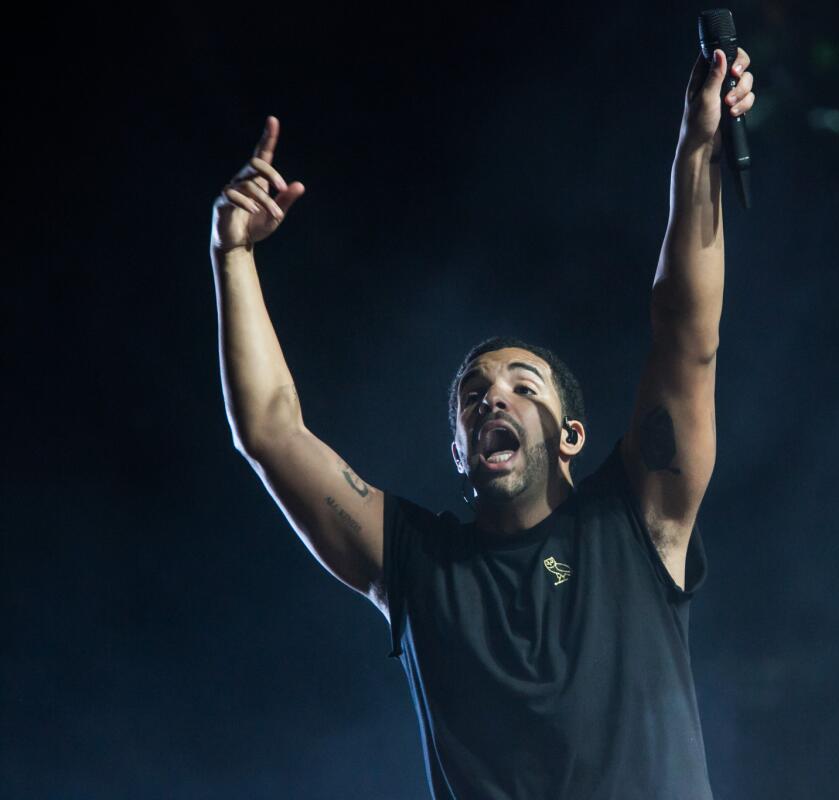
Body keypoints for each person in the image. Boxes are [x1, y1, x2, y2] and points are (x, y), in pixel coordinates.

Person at [210, 44, 756, 800]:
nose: (492, 398)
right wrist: (231, 254)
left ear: (572, 436)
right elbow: (270, 430)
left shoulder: (639, 520)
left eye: (522, 385)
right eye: (473, 395)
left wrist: (698, 145)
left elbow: (685, 330)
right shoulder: (417, 565)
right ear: (461, 451)